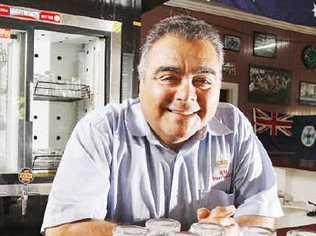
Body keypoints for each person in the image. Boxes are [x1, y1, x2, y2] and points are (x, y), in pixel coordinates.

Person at [42, 15, 283, 236]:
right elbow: (64, 230)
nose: (187, 95)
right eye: (169, 77)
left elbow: (261, 213)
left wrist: (231, 229)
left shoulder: (234, 126)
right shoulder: (101, 130)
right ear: (141, 83)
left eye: (203, 80)